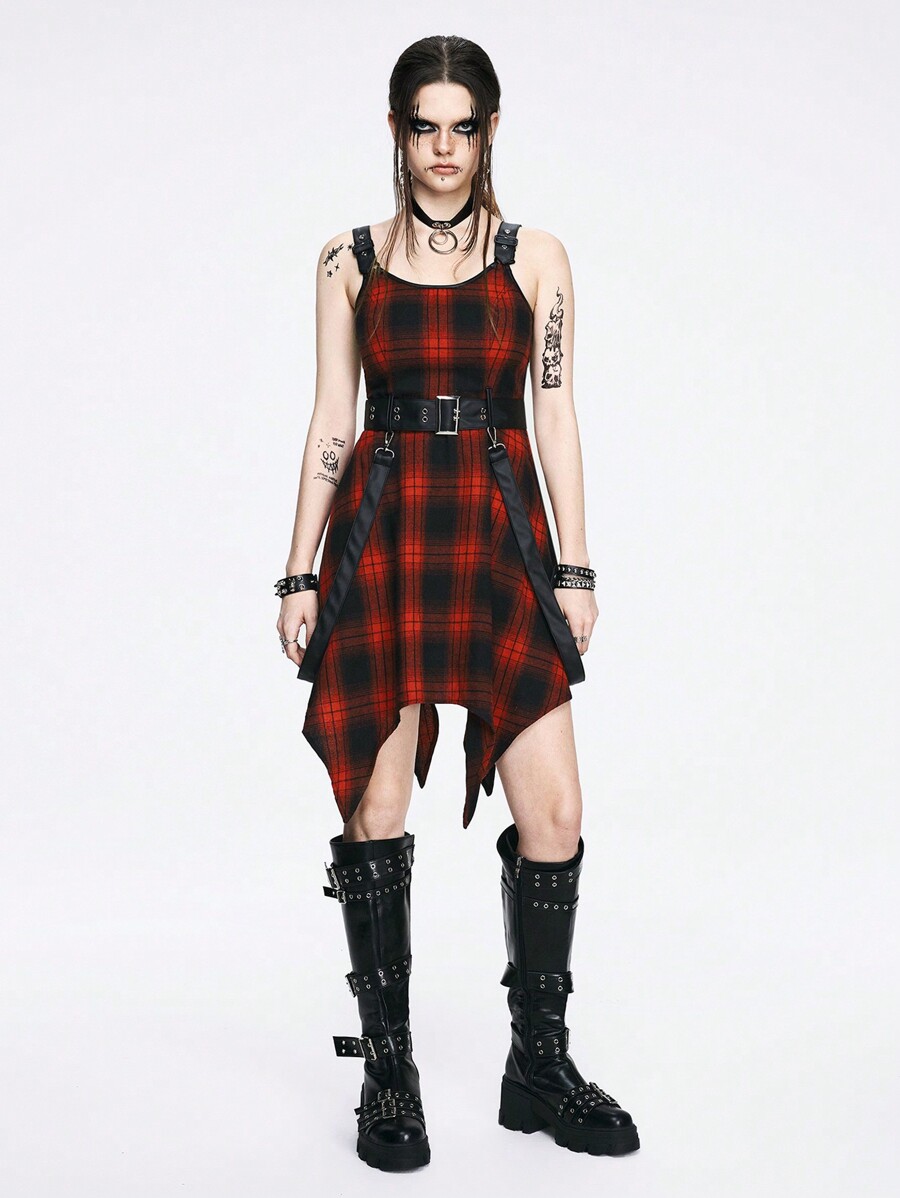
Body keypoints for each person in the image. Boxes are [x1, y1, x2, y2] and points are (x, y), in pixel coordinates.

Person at [275, 35, 639, 1171]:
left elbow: (556, 412)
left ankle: (539, 1063)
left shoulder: (538, 260)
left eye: (463, 126)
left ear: (489, 131)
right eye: (425, 126)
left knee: (556, 813)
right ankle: (389, 1071)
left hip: (496, 531)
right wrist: (298, 569)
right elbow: (331, 416)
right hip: (384, 534)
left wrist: (576, 567)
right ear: (397, 131)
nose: (444, 148)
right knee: (375, 809)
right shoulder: (345, 260)